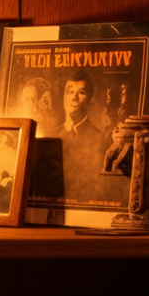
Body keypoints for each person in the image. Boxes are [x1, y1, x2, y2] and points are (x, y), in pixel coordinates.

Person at [52, 70, 108, 200]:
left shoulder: (99, 139)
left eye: (81, 93)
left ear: (91, 99)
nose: (74, 98)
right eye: (70, 91)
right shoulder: (52, 135)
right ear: (63, 97)